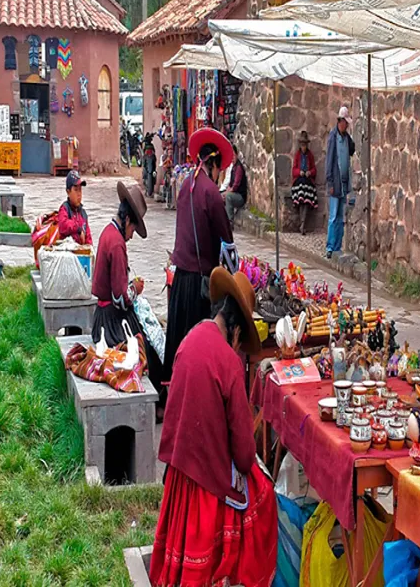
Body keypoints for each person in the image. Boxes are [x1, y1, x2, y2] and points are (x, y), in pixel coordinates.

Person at [151, 267, 275, 586]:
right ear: (235, 331)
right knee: (265, 496)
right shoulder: (229, 363)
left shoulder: (191, 338)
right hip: (207, 480)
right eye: (239, 341)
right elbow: (246, 456)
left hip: (178, 470)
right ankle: (239, 576)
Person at [165, 127, 235, 385]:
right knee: (196, 345)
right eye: (220, 171)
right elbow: (228, 245)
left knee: (178, 343)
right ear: (214, 165)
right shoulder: (211, 194)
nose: (220, 176)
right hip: (199, 285)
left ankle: (172, 390)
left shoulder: (186, 185)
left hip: (180, 277)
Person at [90, 182, 163, 382]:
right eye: (133, 229)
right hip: (112, 323)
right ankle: (157, 402)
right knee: (149, 346)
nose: (131, 236)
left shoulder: (108, 232)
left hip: (103, 318)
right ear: (127, 219)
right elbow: (120, 299)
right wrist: (135, 289)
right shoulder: (117, 243)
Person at [325, 106, 355, 258]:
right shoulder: (333, 137)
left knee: (340, 216)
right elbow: (329, 160)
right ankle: (330, 246)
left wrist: (350, 135)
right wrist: (329, 182)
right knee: (333, 215)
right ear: (340, 121)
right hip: (335, 183)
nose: (346, 126)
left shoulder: (345, 138)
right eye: (345, 123)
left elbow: (352, 150)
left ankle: (337, 245)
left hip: (344, 183)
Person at [291, 130, 318, 234]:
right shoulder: (297, 155)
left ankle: (303, 223)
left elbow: (314, 170)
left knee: (306, 197)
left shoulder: (310, 156)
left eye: (305, 145)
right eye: (302, 145)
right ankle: (302, 223)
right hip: (299, 182)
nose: (303, 147)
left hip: (308, 182)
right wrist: (300, 172)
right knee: (301, 195)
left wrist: (309, 173)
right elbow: (294, 171)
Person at [57, 170, 92, 245]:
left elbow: (88, 238)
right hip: (66, 253)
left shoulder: (83, 214)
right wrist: (78, 229)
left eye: (80, 190)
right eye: (76, 190)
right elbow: (63, 226)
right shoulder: (64, 209)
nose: (79, 194)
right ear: (68, 192)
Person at [224, 145, 248, 223]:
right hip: (234, 193)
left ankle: (230, 221)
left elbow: (236, 185)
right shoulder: (233, 168)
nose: (232, 158)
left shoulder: (238, 168)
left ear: (237, 155)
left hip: (240, 197)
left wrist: (229, 191)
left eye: (233, 155)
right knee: (221, 196)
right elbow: (230, 184)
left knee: (228, 196)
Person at [142, 133, 157, 197]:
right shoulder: (151, 148)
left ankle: (148, 189)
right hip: (151, 171)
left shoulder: (147, 149)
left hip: (150, 171)